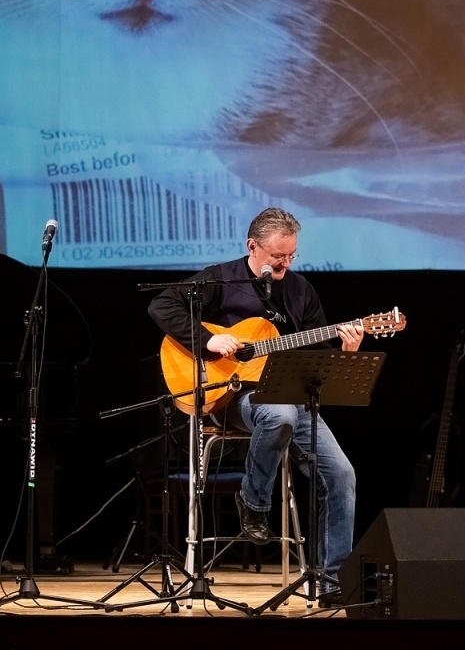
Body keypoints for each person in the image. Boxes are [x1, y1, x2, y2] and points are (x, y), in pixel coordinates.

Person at [149, 208, 359, 601]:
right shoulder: (220, 279)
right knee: (278, 414)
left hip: (290, 396)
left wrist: (344, 353)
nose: (285, 264)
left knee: (342, 474)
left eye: (291, 256)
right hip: (231, 395)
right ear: (252, 247)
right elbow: (161, 307)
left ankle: (333, 582)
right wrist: (208, 341)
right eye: (278, 256)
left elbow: (318, 361)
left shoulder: (301, 291)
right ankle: (255, 501)